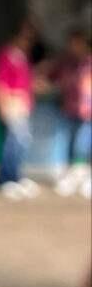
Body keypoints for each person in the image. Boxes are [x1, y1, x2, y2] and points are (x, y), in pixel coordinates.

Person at [0, 17, 48, 200]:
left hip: (22, 104)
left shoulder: (23, 57)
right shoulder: (6, 55)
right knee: (11, 143)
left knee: (20, 142)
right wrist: (2, 107)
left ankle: (15, 176)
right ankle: (5, 180)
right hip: (10, 104)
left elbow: (24, 81)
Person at [50, 30, 92, 198]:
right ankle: (70, 178)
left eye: (76, 43)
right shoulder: (65, 63)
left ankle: (87, 179)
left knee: (84, 146)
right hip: (70, 110)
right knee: (71, 146)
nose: (73, 47)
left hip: (89, 113)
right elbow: (52, 78)